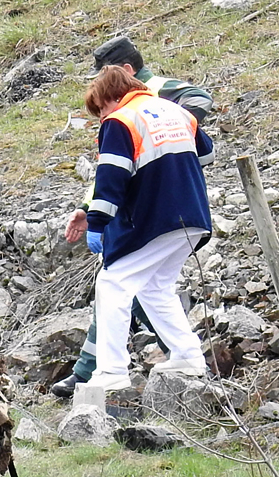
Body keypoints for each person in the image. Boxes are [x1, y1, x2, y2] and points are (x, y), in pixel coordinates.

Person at [52, 38, 216, 396]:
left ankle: (111, 372)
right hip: (193, 217)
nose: (101, 117)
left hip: (153, 220)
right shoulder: (176, 112)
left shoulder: (120, 121)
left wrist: (96, 223)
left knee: (113, 285)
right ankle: (188, 356)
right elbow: (206, 155)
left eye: (100, 109)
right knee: (156, 287)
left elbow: (111, 178)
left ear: (111, 96)